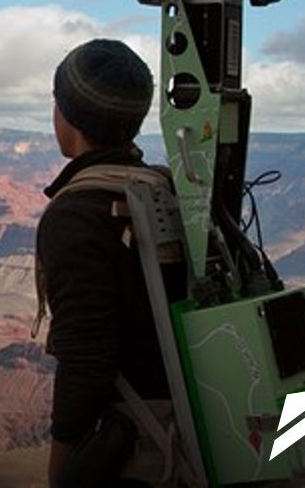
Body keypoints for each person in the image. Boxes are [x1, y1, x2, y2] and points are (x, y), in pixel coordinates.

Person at [36, 39, 187, 487]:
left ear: (68, 114)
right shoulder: (165, 188)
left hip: (143, 452)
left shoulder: (77, 213)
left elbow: (86, 360)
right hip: (196, 428)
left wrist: (62, 469)